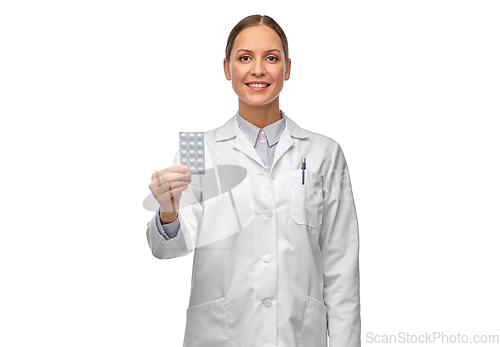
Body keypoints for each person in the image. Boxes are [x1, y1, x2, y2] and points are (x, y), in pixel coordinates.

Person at [146, 14, 361, 347]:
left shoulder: (324, 152)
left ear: (287, 69)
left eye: (271, 58)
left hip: (298, 336)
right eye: (244, 57)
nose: (258, 69)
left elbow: (341, 268)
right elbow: (167, 248)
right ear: (226, 68)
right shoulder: (197, 148)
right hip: (220, 335)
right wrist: (168, 213)